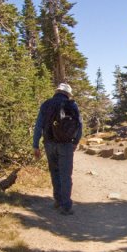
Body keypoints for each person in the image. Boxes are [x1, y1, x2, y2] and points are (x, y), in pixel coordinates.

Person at [33, 83, 82, 215]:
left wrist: (35, 145)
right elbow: (79, 125)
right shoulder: (72, 105)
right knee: (66, 175)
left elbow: (38, 126)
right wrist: (75, 142)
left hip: (49, 143)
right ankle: (66, 206)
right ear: (68, 93)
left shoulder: (46, 104)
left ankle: (58, 200)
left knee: (54, 172)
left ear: (57, 91)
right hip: (66, 144)